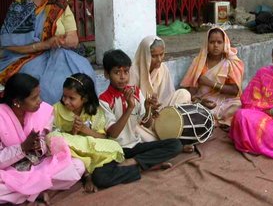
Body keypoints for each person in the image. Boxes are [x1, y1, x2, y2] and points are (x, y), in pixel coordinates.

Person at [0, 0, 96, 105]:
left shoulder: (60, 5)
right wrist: (45, 44)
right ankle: (50, 116)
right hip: (25, 57)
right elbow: (9, 44)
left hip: (58, 53)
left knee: (83, 71)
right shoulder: (20, 6)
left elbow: (73, 39)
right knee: (45, 84)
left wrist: (61, 41)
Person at [0, 73, 84, 205]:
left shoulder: (43, 110)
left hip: (39, 165)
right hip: (12, 172)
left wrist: (41, 145)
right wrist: (22, 148)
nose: (39, 101)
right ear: (17, 102)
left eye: (39, 95)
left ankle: (30, 192)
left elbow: (47, 137)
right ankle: (37, 192)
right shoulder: (1, 117)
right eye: (34, 98)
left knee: (78, 166)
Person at [49, 73, 140, 192]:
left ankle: (135, 169)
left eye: (71, 98)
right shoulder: (56, 110)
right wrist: (73, 133)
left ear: (85, 98)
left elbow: (103, 137)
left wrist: (84, 130)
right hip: (72, 154)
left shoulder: (94, 111)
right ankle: (88, 176)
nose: (66, 101)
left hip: (92, 151)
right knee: (54, 137)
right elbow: (58, 140)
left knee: (111, 147)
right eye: (64, 96)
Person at [99, 49, 183, 175]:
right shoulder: (103, 100)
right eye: (117, 72)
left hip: (137, 145)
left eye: (126, 72)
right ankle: (147, 163)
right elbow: (114, 133)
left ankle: (135, 162)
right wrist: (130, 108)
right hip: (118, 149)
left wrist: (148, 108)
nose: (123, 77)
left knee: (176, 145)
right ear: (106, 74)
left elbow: (147, 124)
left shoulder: (135, 92)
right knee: (101, 175)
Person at [230, 39, 273, 159]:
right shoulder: (264, 74)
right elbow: (250, 104)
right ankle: (269, 144)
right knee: (241, 116)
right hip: (269, 121)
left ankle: (265, 144)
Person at [130, 35, 191, 142]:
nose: (159, 59)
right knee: (133, 129)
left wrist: (157, 107)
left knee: (184, 94)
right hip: (143, 120)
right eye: (154, 56)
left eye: (161, 54)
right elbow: (131, 107)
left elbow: (168, 95)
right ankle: (165, 138)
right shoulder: (133, 72)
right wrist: (148, 108)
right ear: (145, 55)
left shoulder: (163, 69)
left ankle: (164, 134)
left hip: (161, 115)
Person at [181, 27, 244, 126]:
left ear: (225, 43)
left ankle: (214, 119)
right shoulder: (198, 62)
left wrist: (210, 83)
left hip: (225, 101)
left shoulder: (230, 63)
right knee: (186, 102)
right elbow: (189, 89)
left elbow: (235, 90)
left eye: (219, 42)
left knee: (239, 106)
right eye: (212, 42)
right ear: (207, 43)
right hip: (203, 101)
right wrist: (200, 101)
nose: (215, 46)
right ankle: (214, 119)